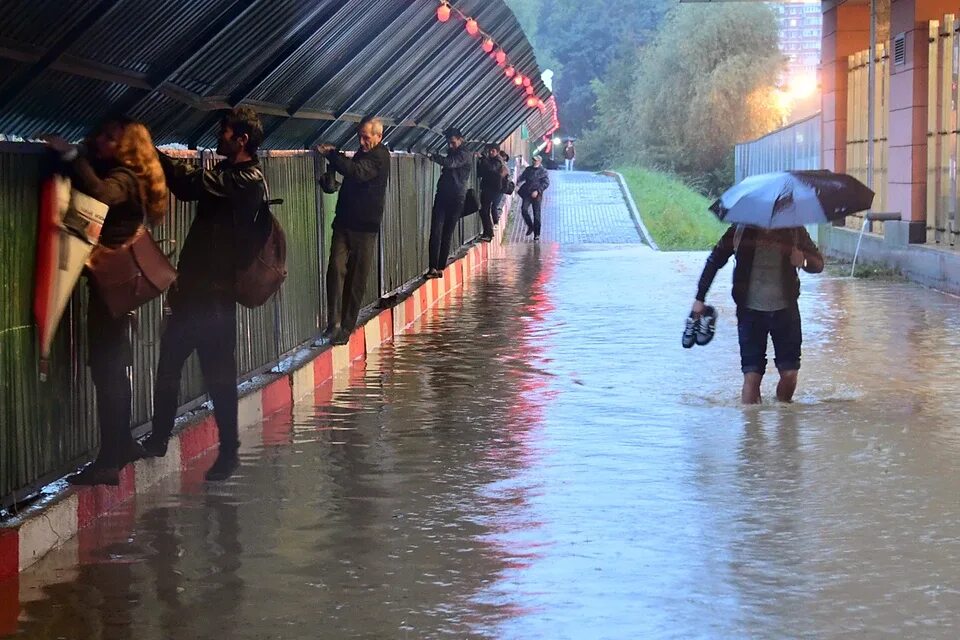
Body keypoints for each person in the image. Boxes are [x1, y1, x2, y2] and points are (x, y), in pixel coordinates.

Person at [42, 118, 168, 486]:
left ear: (126, 147)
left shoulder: (125, 178)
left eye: (110, 138)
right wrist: (81, 150)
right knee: (115, 368)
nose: (100, 140)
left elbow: (101, 193)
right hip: (119, 284)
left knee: (107, 369)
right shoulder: (130, 171)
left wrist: (69, 154)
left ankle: (109, 460)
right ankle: (123, 444)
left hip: (111, 284)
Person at [143, 107, 267, 481]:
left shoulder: (247, 178)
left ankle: (229, 452)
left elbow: (191, 184)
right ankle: (160, 438)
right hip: (195, 292)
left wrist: (150, 153)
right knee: (169, 365)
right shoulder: (232, 173)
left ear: (241, 139)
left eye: (225, 131)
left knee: (218, 377)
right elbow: (187, 187)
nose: (220, 135)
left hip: (215, 298)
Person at [692, 225, 824, 404]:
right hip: (750, 313)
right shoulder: (740, 230)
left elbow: (818, 264)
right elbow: (715, 260)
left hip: (786, 312)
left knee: (790, 374)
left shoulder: (794, 231)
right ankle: (750, 428)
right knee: (752, 376)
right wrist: (700, 298)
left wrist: (803, 261)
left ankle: (785, 421)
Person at [315, 116, 391, 346]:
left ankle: (345, 327)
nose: (362, 141)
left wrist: (332, 155)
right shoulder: (364, 153)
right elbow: (353, 174)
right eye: (360, 136)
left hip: (365, 229)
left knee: (356, 279)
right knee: (335, 269)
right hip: (344, 222)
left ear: (379, 137)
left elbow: (357, 172)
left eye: (366, 137)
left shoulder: (379, 157)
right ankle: (333, 323)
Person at [426, 127, 472, 278]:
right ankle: (433, 267)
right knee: (436, 232)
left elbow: (451, 163)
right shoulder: (454, 151)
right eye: (449, 143)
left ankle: (439, 267)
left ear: (460, 139)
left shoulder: (464, 153)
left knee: (445, 233)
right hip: (444, 195)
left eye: (453, 142)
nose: (450, 146)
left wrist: (435, 157)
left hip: (456, 198)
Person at [476, 143, 508, 242]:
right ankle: (488, 232)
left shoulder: (498, 161)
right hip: (489, 188)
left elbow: (491, 169)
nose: (490, 152)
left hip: (493, 189)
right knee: (484, 210)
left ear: (497, 152)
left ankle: (488, 233)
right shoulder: (492, 159)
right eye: (489, 151)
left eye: (493, 151)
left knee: (485, 210)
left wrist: (482, 158)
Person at [517, 155, 550, 240]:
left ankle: (537, 234)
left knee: (537, 214)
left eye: (536, 160)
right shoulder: (528, 169)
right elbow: (522, 177)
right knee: (524, 210)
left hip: (537, 195)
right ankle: (530, 226)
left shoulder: (543, 171)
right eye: (533, 160)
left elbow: (546, 183)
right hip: (527, 193)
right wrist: (517, 181)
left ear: (539, 161)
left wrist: (538, 191)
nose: (534, 162)